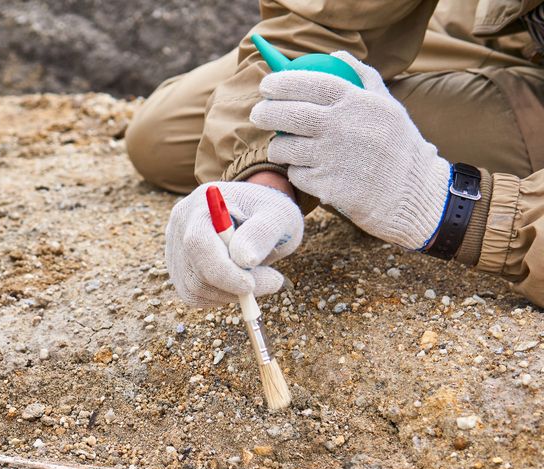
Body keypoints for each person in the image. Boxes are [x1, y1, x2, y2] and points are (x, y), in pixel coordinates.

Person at [126, 0, 544, 311]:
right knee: (165, 137)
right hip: (497, 23)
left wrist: (449, 204)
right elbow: (315, 22)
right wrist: (264, 175)